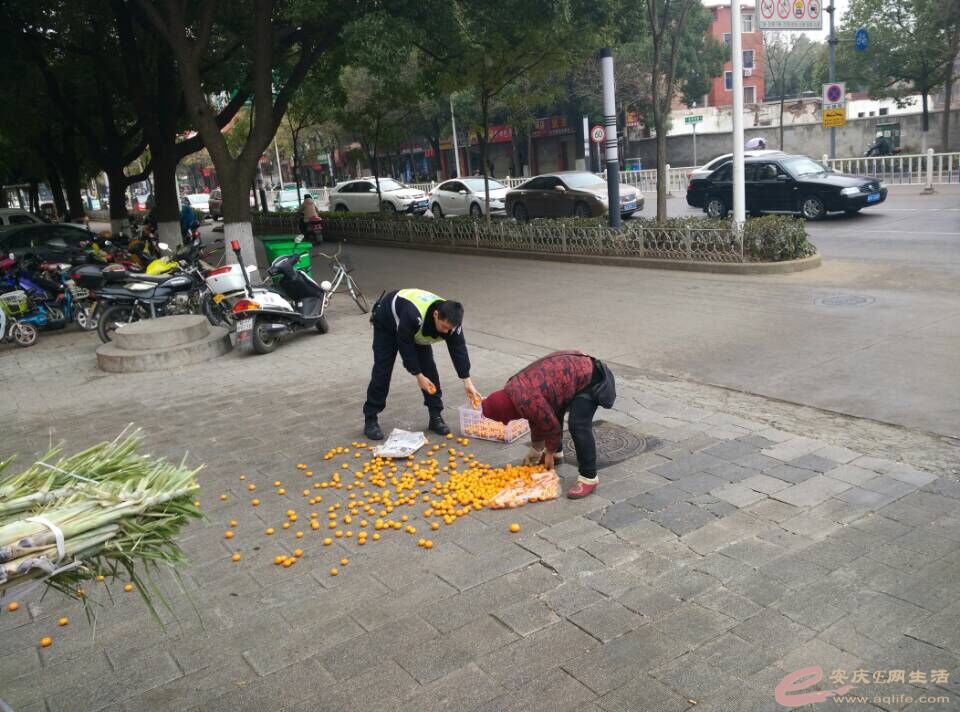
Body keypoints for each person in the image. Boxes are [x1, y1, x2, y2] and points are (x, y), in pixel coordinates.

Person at [481, 350, 616, 499]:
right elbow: (537, 419)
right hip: (567, 379)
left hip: (591, 378)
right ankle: (558, 454)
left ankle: (589, 477)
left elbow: (550, 426)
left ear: (505, 412)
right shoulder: (513, 389)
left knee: (578, 424)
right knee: (551, 410)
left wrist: (549, 451)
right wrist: (536, 449)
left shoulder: (527, 399)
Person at [363, 289, 482, 440]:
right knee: (383, 370)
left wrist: (467, 381)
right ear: (436, 315)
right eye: (443, 327)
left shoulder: (452, 322)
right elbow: (405, 347)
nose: (446, 332)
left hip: (415, 330)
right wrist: (418, 375)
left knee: (430, 372)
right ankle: (371, 418)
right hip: (388, 322)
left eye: (449, 329)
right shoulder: (413, 315)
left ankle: (435, 416)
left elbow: (459, 350)